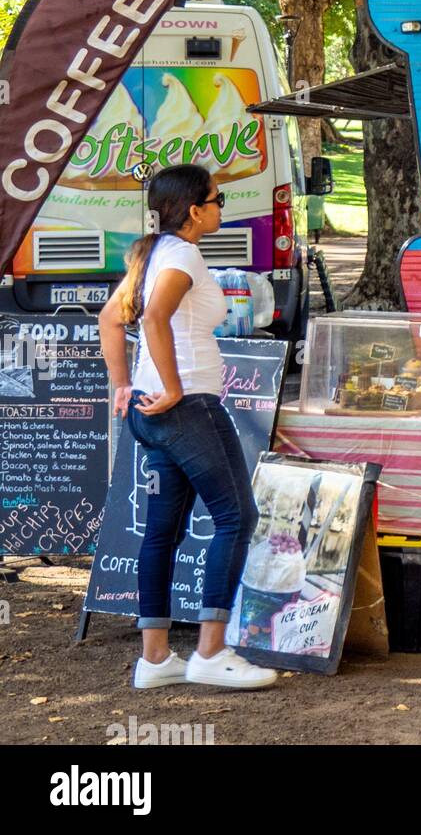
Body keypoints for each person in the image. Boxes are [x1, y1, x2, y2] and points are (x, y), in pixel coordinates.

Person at [98, 164, 278, 691]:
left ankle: (155, 660)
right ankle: (211, 651)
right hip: (185, 406)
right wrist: (174, 387)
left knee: (163, 531)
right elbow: (152, 319)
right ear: (196, 210)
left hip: (150, 411)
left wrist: (123, 385)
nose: (224, 207)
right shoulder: (183, 254)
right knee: (236, 517)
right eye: (218, 199)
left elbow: (111, 319)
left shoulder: (151, 255)